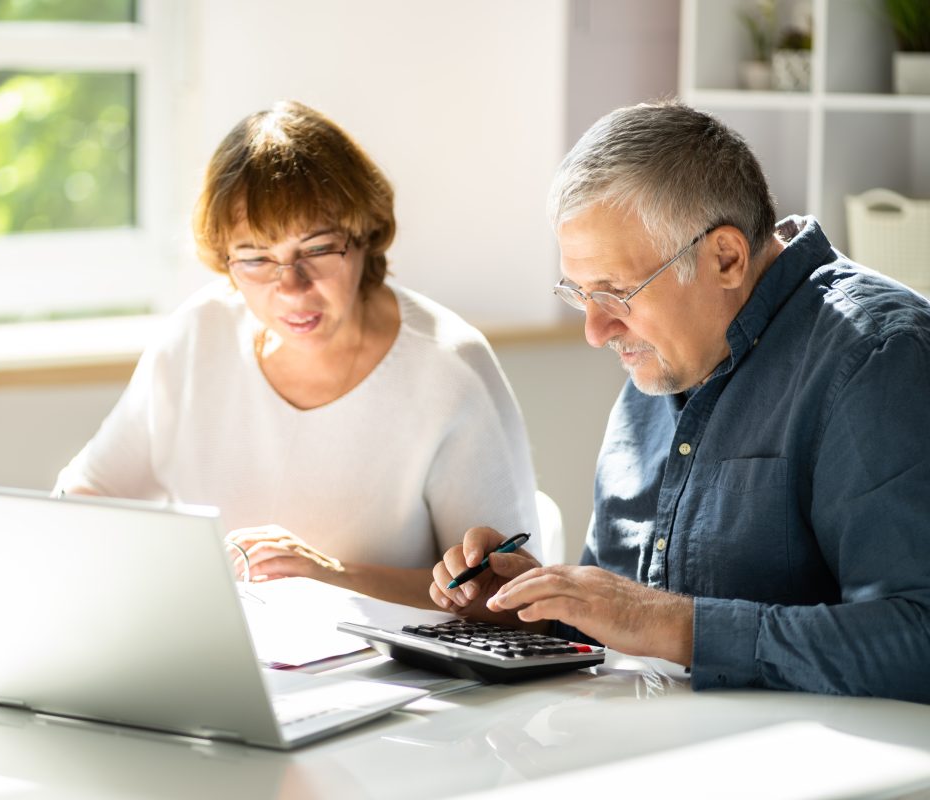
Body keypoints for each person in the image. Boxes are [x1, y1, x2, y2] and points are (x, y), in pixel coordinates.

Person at [430, 100, 930, 703]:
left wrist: (670, 624)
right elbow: (625, 610)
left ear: (725, 257)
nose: (595, 330)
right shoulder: (665, 355)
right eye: (580, 294)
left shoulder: (880, 357)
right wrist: (533, 603)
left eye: (616, 293)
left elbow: (917, 637)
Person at [57, 100, 539, 608]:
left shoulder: (448, 368)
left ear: (365, 234)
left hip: (389, 677)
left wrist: (328, 575)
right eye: (257, 258)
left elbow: (513, 600)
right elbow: (84, 502)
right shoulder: (199, 335)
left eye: (316, 249)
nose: (291, 288)